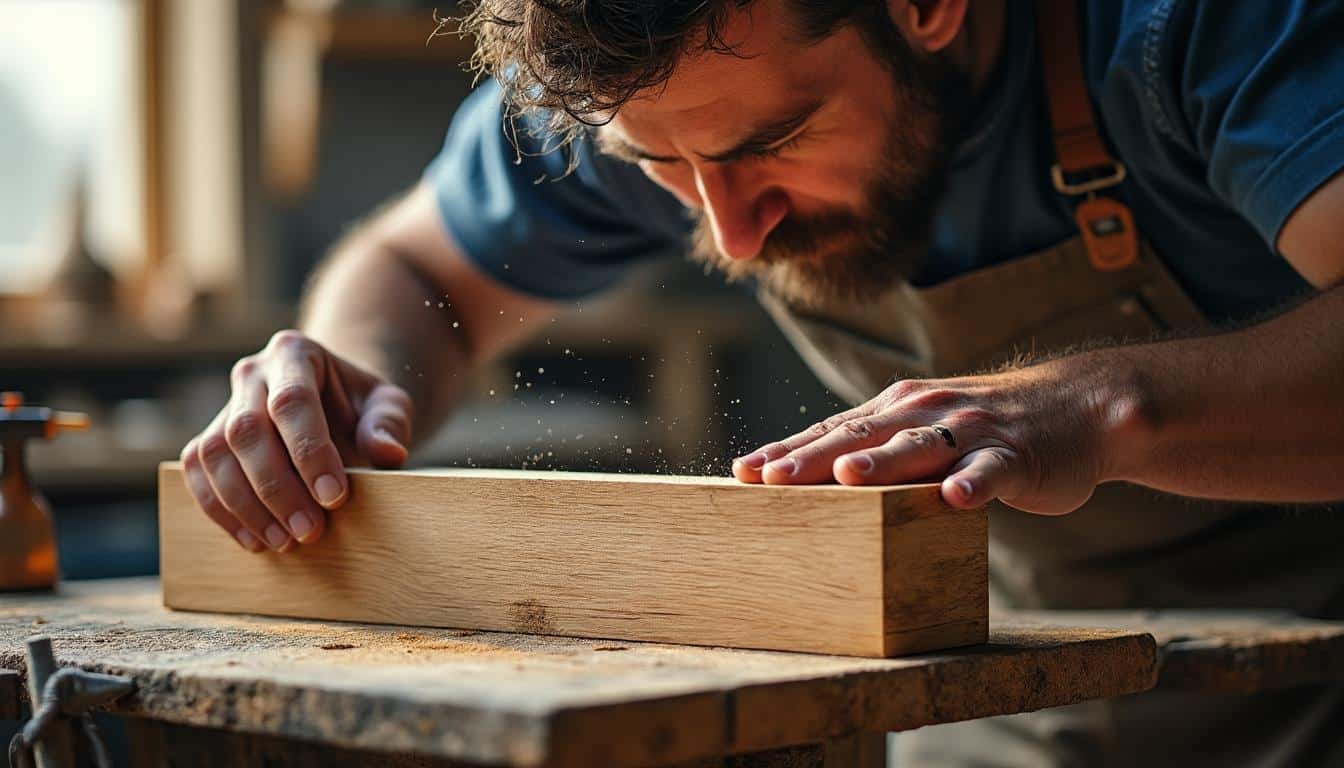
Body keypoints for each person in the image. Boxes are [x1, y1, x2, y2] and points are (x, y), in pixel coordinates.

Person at [179, 0, 1344, 763]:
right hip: (1012, 692)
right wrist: (348, 378)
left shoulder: (1196, 31)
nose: (730, 234)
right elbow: (412, 267)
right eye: (665, 169)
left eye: (771, 147)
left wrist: (1095, 409)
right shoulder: (651, 78)